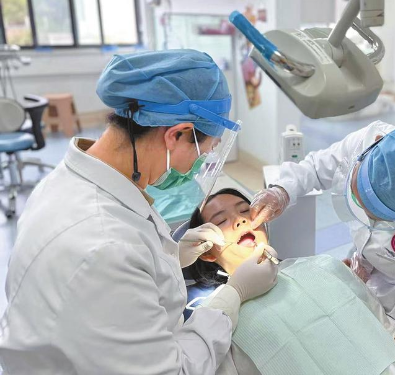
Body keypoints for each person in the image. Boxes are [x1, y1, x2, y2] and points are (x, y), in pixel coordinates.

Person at [0, 50, 278, 374]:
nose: (198, 166)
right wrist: (232, 295)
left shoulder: (71, 183)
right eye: (204, 152)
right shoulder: (105, 247)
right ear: (176, 134)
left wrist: (169, 256)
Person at [250, 117, 395, 361]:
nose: (364, 215)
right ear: (376, 144)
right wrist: (282, 190)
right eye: (357, 196)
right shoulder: (370, 144)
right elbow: (316, 167)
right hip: (358, 298)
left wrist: (373, 290)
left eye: (378, 216)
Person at [184, 188, 395, 375]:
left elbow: (388, 332)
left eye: (244, 211)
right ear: (207, 251)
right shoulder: (218, 321)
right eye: (221, 221)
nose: (239, 220)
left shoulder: (325, 266)